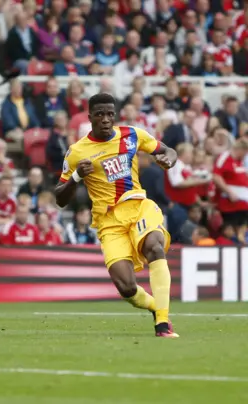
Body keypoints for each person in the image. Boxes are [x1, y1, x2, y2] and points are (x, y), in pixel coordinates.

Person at [54, 93, 179, 338]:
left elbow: (168, 151)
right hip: (109, 222)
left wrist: (168, 159)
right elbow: (60, 198)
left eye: (110, 114)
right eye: (99, 114)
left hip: (138, 205)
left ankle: (162, 324)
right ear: (89, 117)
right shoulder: (77, 152)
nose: (105, 119)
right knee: (126, 287)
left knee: (154, 246)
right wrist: (77, 177)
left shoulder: (132, 135)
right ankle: (156, 307)